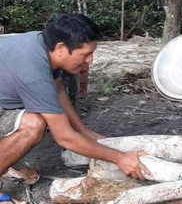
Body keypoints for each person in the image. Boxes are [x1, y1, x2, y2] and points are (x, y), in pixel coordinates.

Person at [0, 14, 151, 203]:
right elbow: (64, 137)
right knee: (34, 126)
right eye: (85, 54)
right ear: (62, 48)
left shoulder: (43, 45)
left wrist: (84, 131)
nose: (90, 60)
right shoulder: (34, 72)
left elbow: (58, 89)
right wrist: (120, 158)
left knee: (41, 116)